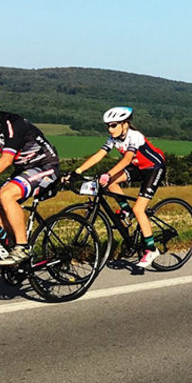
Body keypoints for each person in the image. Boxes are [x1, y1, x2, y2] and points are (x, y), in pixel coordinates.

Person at [67, 107, 166, 268]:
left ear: (125, 124)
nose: (110, 129)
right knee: (110, 182)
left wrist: (108, 173)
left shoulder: (135, 137)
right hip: (138, 167)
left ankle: (151, 249)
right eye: (108, 126)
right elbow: (99, 155)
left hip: (154, 168)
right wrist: (76, 171)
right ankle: (125, 210)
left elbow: (127, 160)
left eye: (113, 125)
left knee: (139, 209)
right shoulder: (114, 139)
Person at [0, 85, 60, 266]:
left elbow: (5, 161)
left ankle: (23, 247)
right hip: (23, 170)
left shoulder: (13, 124)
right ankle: (18, 257)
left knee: (7, 195)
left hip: (45, 165)